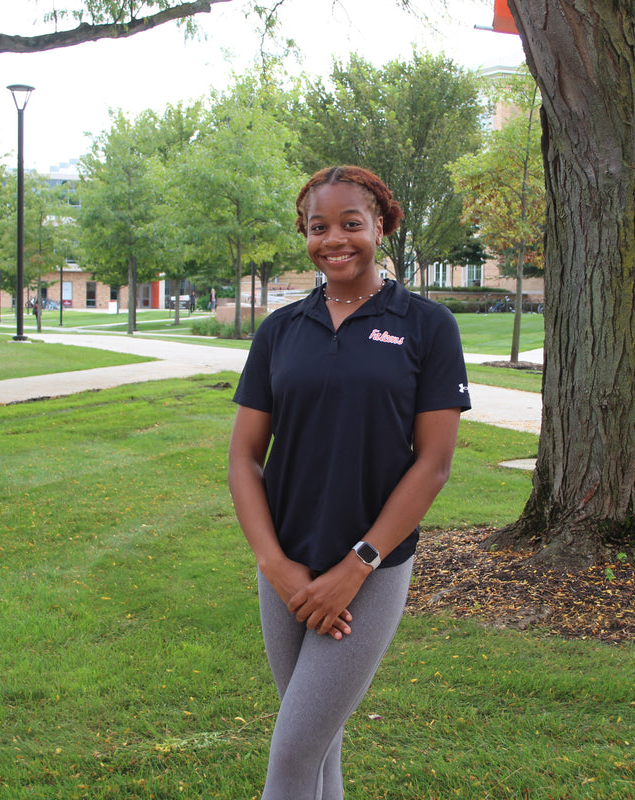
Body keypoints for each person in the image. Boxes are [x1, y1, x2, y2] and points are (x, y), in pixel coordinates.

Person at [228, 165, 471, 800]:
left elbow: (433, 463)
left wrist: (358, 565)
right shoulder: (281, 330)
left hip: (371, 569)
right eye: (317, 227)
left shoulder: (427, 326)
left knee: (291, 757)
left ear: (383, 227)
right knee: (316, 748)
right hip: (287, 570)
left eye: (350, 224)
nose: (333, 240)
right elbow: (244, 460)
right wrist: (274, 564)